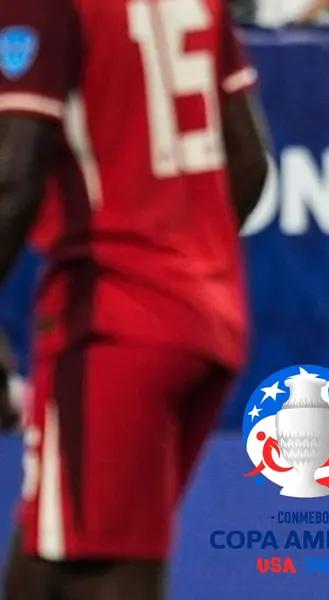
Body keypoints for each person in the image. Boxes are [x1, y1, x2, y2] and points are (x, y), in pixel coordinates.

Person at [0, 0, 269, 597]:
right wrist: (185, 251)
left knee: (102, 564)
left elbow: (14, 176)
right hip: (206, 317)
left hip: (111, 319)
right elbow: (249, 163)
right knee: (62, 547)